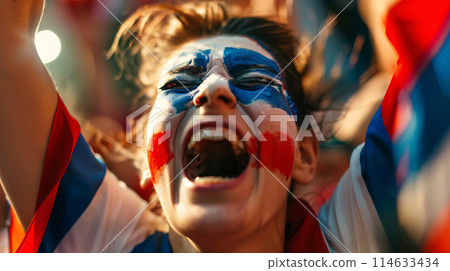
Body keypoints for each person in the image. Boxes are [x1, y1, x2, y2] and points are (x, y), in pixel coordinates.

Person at [1, 0, 449, 253]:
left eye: (255, 80)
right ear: (145, 163)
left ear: (305, 155)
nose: (213, 89)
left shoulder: (353, 235)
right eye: (179, 82)